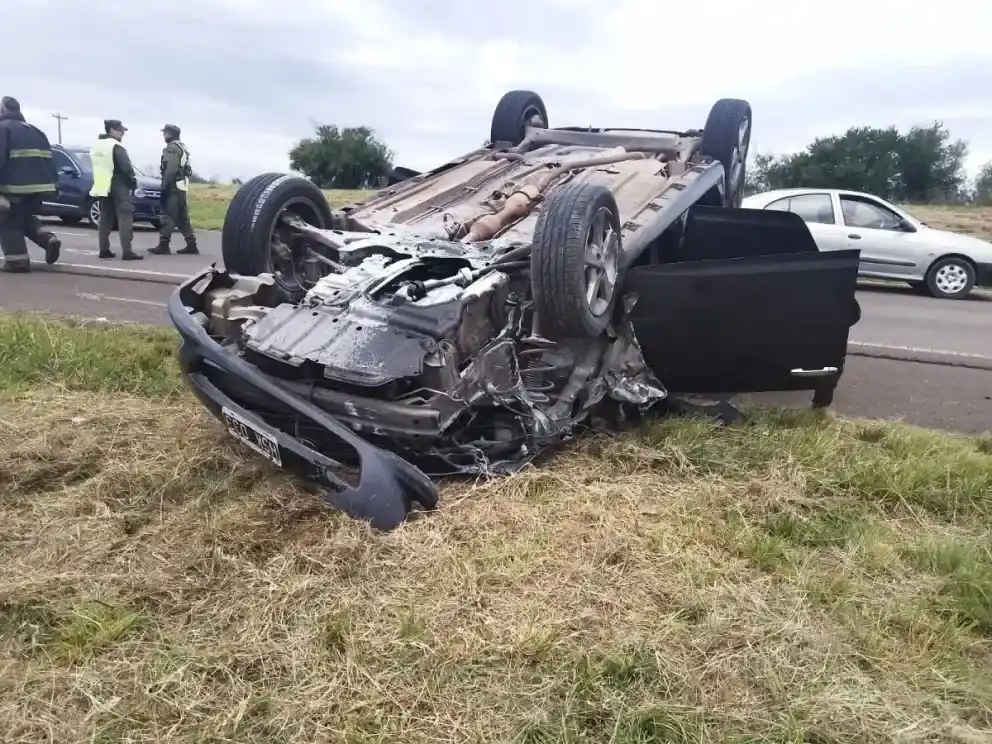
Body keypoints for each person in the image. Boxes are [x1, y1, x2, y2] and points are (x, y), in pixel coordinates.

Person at [0, 96, 62, 272]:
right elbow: (50, 161)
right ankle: (47, 239)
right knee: (24, 217)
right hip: (39, 189)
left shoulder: (3, 129)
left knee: (8, 220)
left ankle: (16, 260)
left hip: (13, 188)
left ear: (3, 109)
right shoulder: (36, 131)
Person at [89, 119, 142, 260]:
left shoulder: (97, 145)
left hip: (103, 185)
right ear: (112, 130)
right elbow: (126, 167)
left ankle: (104, 249)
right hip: (118, 183)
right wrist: (132, 181)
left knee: (105, 218)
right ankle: (127, 251)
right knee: (125, 216)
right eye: (121, 131)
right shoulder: (116, 146)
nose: (122, 134)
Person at [150, 123, 198, 255]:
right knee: (182, 218)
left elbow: (170, 169)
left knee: (168, 216)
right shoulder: (182, 147)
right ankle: (191, 244)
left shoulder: (171, 148)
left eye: (165, 133)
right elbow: (187, 169)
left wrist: (164, 186)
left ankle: (163, 245)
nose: (163, 135)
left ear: (170, 133)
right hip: (181, 186)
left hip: (173, 187)